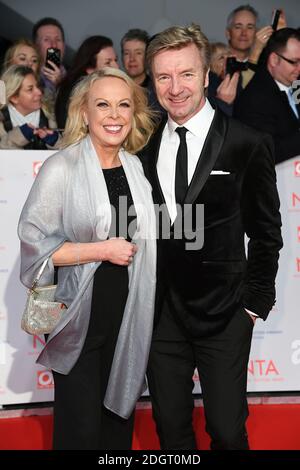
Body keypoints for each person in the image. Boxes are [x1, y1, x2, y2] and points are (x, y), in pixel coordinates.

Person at [139, 24, 283, 450]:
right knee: (170, 428)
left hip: (225, 313)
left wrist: (253, 306)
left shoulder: (246, 141)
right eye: (163, 76)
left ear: (206, 76)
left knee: (225, 428)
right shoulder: (142, 146)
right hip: (160, 313)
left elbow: (265, 232)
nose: (175, 87)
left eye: (186, 74)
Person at [18, 68, 156, 449]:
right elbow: (35, 248)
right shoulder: (61, 168)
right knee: (80, 432)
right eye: (103, 105)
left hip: (127, 318)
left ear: (134, 113)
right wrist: (103, 249)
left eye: (123, 105)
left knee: (117, 427)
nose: (114, 115)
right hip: (76, 318)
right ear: (84, 113)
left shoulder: (135, 168)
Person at [234, 28, 300, 164]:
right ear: (274, 60)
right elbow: (265, 153)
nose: (299, 68)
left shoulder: (295, 84)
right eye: (294, 62)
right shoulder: (255, 97)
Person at [55, 35, 119, 129]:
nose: (116, 67)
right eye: (108, 62)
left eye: (116, 60)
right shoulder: (76, 94)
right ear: (90, 69)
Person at [0, 65, 59, 149]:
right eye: (30, 89)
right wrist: (17, 137)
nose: (39, 92)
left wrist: (56, 142)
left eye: (37, 86)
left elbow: (68, 152)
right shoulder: (2, 122)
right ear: (14, 98)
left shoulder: (50, 116)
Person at [32, 17, 67, 107]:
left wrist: (60, 85)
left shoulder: (76, 80)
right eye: (47, 40)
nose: (54, 45)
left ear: (64, 45)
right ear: (36, 46)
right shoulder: (26, 76)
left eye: (58, 40)